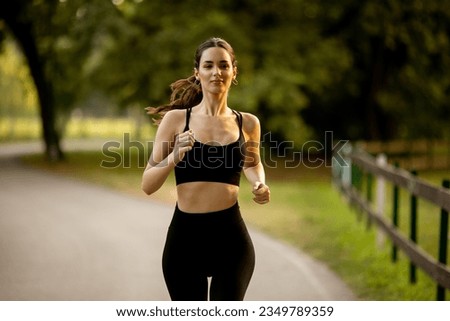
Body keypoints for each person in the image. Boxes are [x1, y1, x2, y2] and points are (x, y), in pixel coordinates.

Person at [141, 37, 270, 301]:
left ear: (234, 72)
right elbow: (148, 185)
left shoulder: (247, 123)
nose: (216, 72)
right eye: (208, 65)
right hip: (184, 242)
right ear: (197, 73)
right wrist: (175, 155)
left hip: (231, 240)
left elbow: (253, 163)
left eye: (223, 65)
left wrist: (259, 184)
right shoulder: (176, 120)